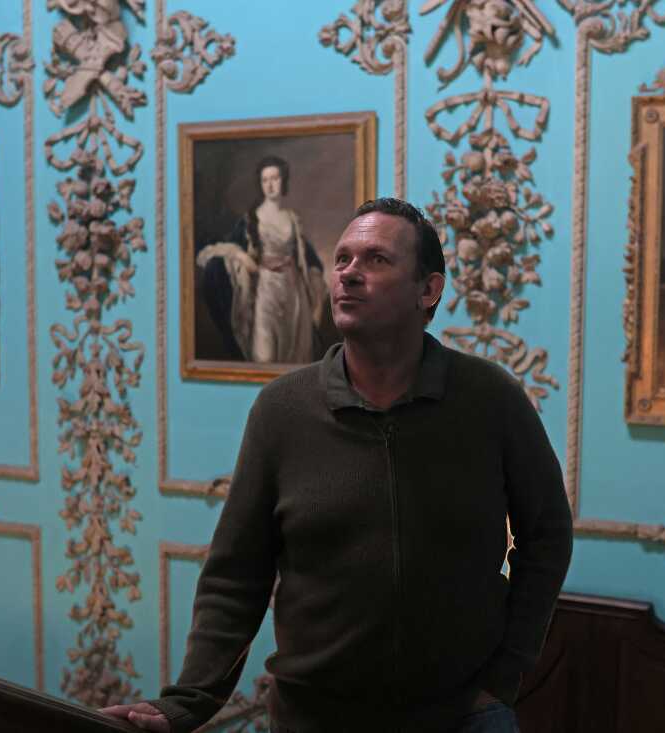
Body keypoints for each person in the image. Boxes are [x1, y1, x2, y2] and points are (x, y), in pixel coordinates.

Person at [102, 198, 573, 732]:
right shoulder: (283, 410)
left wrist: (506, 674)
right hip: (315, 718)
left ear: (428, 290)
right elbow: (236, 577)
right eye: (342, 258)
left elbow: (548, 534)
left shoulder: (490, 399)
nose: (348, 273)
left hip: (464, 716)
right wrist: (188, 702)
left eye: (376, 259)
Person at [197, 156, 327, 363]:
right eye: (265, 180)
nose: (270, 184)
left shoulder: (292, 219)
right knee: (264, 355)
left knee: (295, 354)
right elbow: (227, 248)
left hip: (293, 291)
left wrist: (316, 287)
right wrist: (241, 256)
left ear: (283, 180)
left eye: (275, 178)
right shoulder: (252, 219)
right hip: (265, 289)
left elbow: (309, 259)